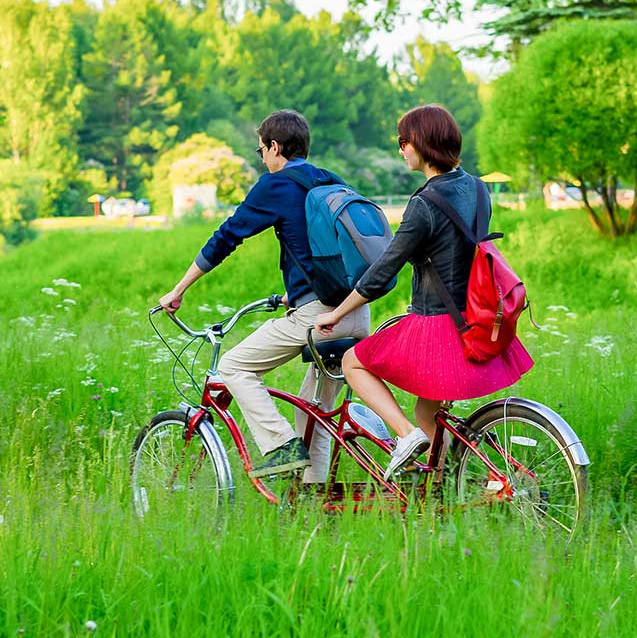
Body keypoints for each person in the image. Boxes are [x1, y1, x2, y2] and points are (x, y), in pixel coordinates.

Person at [315, 104, 534, 478]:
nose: (400, 149)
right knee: (426, 412)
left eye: (404, 141)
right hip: (475, 316)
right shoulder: (477, 188)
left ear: (421, 143)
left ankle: (404, 437)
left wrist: (335, 314)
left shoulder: (423, 205)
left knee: (353, 362)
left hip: (437, 326)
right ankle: (451, 483)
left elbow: (382, 271)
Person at [158, 109, 369, 480]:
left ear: (275, 147)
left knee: (234, 367)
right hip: (355, 311)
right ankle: (312, 498)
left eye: (261, 151)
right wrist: (297, 291)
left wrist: (179, 288)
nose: (263, 159)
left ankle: (280, 447)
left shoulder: (277, 185)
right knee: (312, 412)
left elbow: (227, 236)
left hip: (318, 318)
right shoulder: (329, 180)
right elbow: (321, 246)